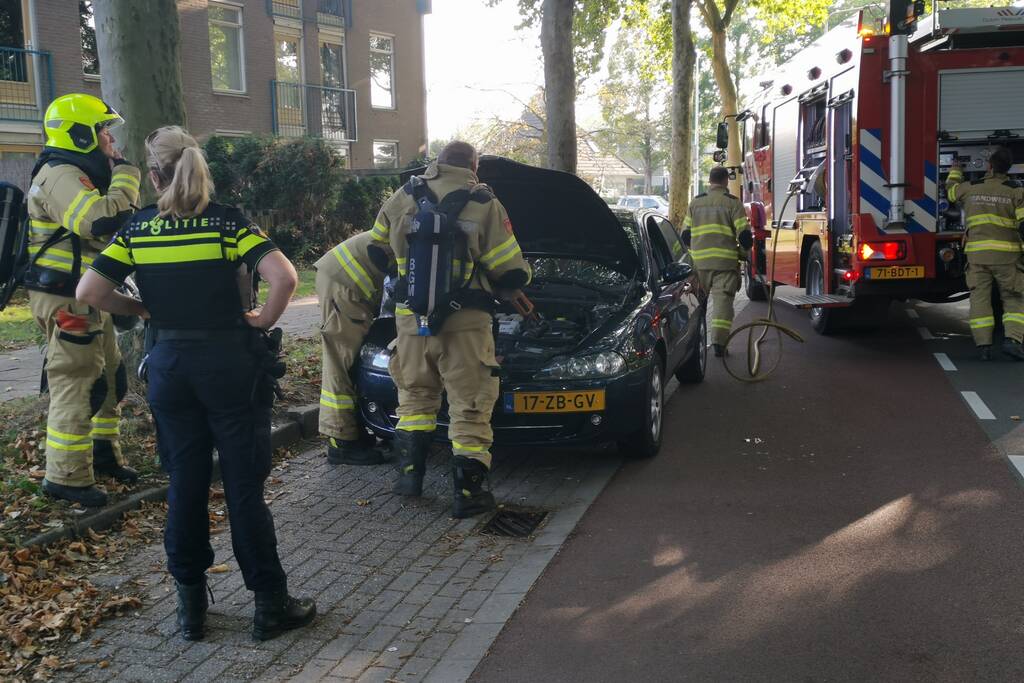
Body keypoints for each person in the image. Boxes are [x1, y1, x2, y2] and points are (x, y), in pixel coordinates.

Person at [76, 126, 315, 642]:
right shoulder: (228, 224)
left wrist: (144, 310)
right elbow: (286, 278)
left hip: (169, 366)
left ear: (155, 175)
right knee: (244, 489)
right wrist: (261, 320)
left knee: (184, 483)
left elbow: (90, 290)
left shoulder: (137, 230)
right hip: (230, 365)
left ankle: (190, 609)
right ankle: (270, 605)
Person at [373, 141, 531, 518]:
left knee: (413, 399)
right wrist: (520, 283)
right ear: (474, 167)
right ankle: (468, 494)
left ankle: (409, 478)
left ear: (437, 163)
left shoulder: (402, 196)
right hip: (466, 325)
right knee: (470, 406)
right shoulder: (484, 203)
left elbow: (376, 252)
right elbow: (508, 269)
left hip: (411, 322)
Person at [25, 93, 142, 508]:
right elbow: (101, 221)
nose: (110, 138)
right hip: (64, 299)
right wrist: (128, 174)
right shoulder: (59, 174)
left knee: (109, 377)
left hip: (87, 295)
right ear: (80, 134)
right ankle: (66, 477)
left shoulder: (81, 173)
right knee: (77, 381)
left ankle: (102, 454)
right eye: (102, 130)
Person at [313, 231, 392, 464]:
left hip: (346, 281)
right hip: (344, 284)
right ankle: (342, 442)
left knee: (354, 360)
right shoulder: (431, 230)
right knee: (342, 363)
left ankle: (355, 431)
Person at [947, 147, 1024, 361]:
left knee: (980, 299)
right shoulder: (1016, 191)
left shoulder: (971, 188)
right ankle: (1012, 341)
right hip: (1007, 258)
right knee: (1013, 299)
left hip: (978, 258)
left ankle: (983, 346)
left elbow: (951, 192)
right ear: (1008, 168)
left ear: (989, 166)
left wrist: (955, 171)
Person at [682, 166, 753, 357]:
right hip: (725, 265)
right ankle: (719, 345)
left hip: (700, 266)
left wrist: (696, 253)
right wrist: (743, 254)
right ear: (725, 181)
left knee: (697, 306)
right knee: (722, 306)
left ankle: (694, 344)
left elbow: (685, 235)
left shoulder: (695, 203)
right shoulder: (732, 203)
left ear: (710, 181)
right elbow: (745, 236)